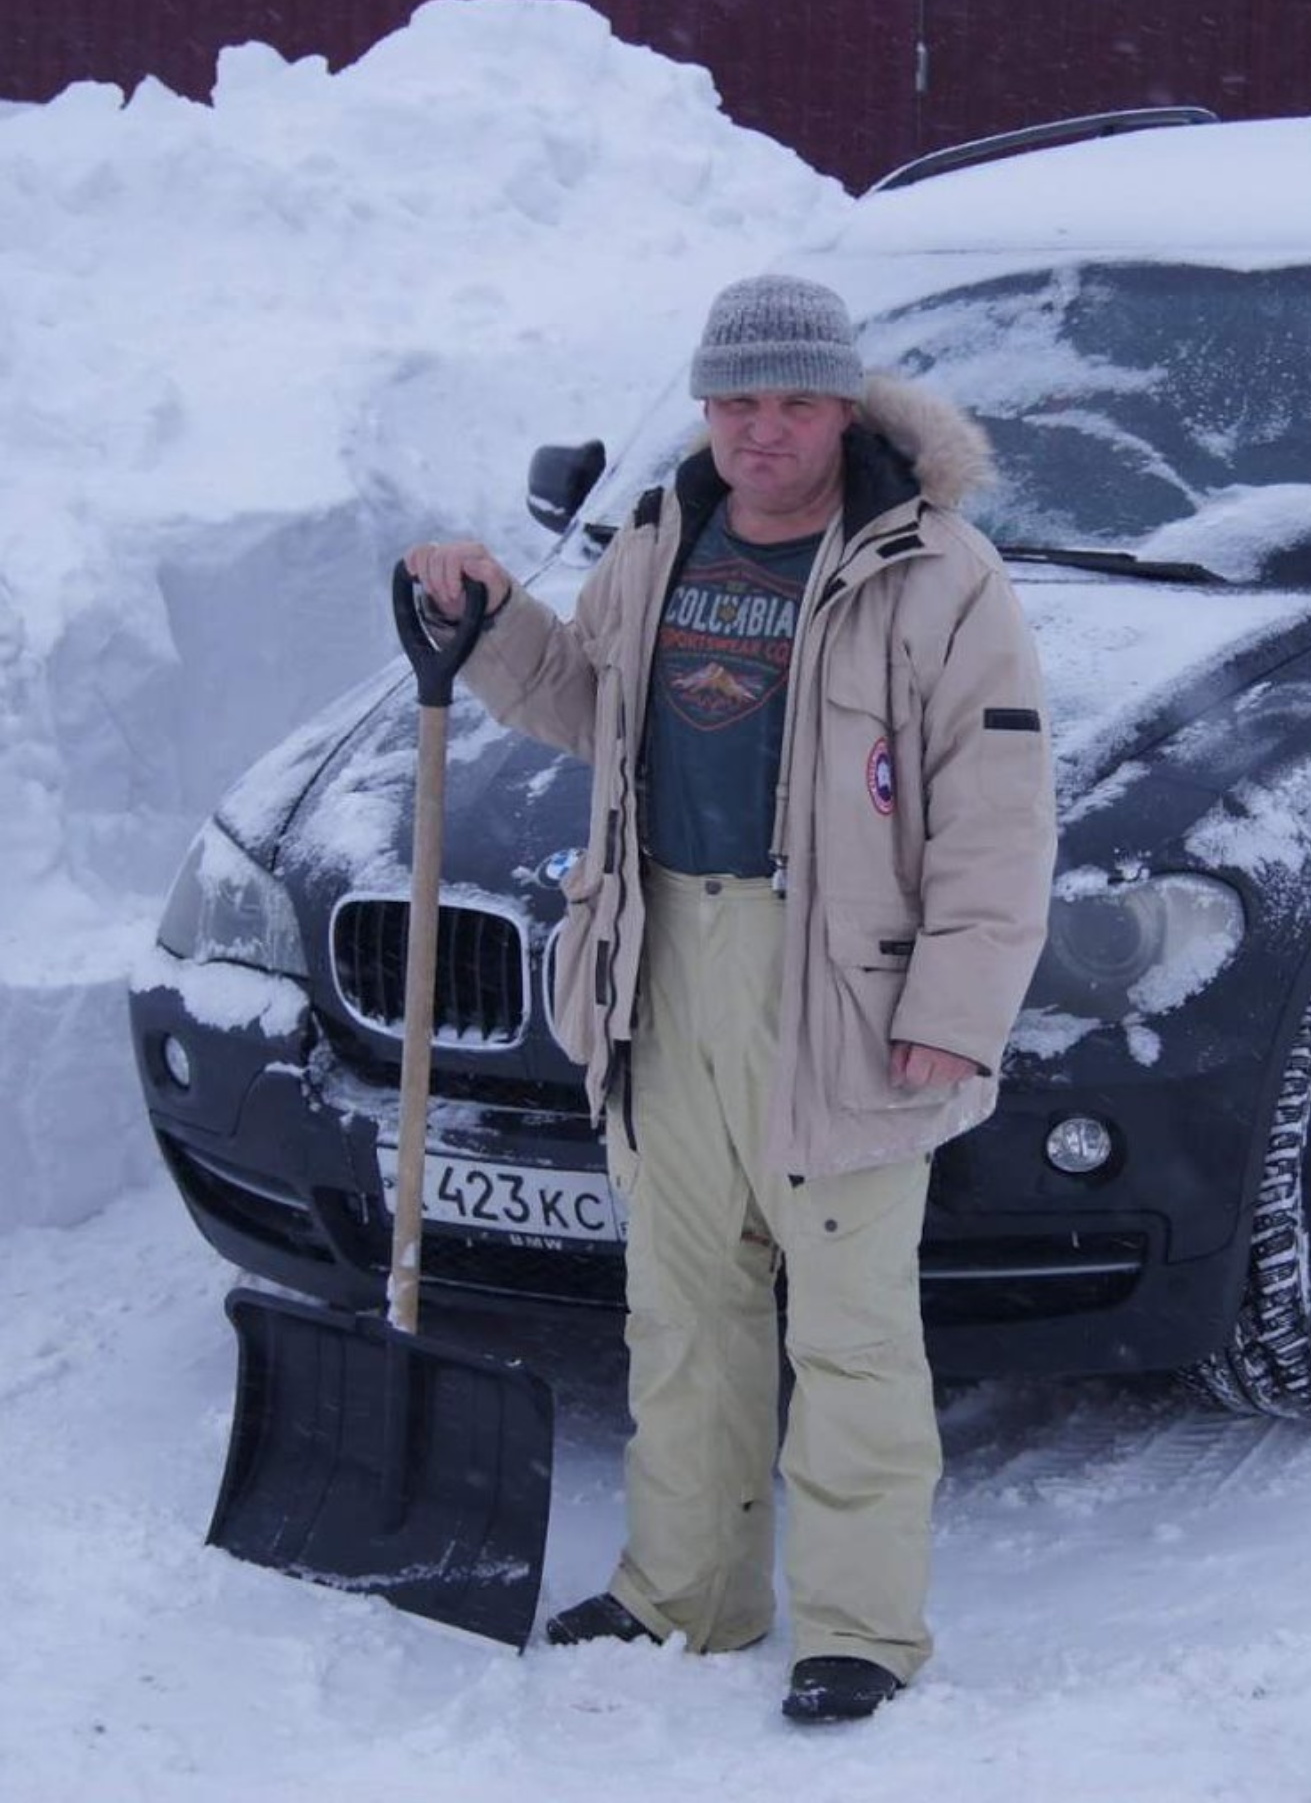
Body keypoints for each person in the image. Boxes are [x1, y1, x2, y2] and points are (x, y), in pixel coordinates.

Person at [404, 275, 1055, 1723]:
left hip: (842, 979)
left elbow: (998, 816)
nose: (765, 430)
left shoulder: (936, 572)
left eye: (797, 401)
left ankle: (860, 1629)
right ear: (706, 407)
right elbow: (588, 708)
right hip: (659, 964)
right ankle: (684, 1594)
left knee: (852, 1327)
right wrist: (496, 616)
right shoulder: (659, 539)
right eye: (738, 401)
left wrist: (958, 1001)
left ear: (846, 407)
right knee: (684, 1308)